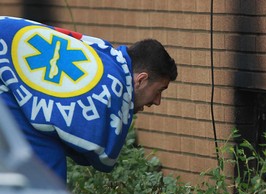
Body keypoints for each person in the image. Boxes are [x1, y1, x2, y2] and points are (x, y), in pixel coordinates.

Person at [0, 16, 177, 183]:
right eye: (159, 90)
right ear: (141, 80)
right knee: (47, 163)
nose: (157, 101)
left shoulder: (107, 58)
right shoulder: (108, 84)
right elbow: (98, 152)